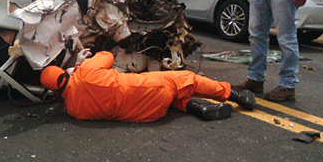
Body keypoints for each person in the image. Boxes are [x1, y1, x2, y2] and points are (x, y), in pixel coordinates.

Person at [40, 49, 256, 123]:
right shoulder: (85, 72)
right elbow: (106, 56)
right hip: (148, 89)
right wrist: (81, 63)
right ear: (63, 73)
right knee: (187, 79)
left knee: (167, 98)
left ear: (54, 91)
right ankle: (234, 94)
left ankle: (199, 108)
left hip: (147, 115)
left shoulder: (73, 110)